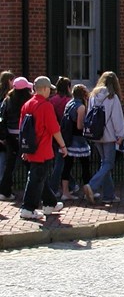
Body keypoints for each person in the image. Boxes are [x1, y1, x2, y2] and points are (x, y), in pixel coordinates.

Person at [18, 76, 68, 220]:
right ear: (45, 89)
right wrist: (63, 146)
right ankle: (28, 208)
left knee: (40, 177)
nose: (50, 92)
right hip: (43, 150)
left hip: (31, 148)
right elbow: (54, 129)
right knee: (36, 178)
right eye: (49, 90)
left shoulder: (27, 104)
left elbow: (22, 129)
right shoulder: (46, 106)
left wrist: (25, 150)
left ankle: (49, 203)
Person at [83, 71, 124, 204]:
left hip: (95, 133)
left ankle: (109, 194)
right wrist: (120, 135)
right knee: (108, 163)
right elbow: (117, 118)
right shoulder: (112, 97)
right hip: (109, 134)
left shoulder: (93, 96)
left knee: (104, 163)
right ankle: (92, 185)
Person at [0, 77, 33, 201]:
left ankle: (4, 191)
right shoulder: (29, 100)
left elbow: (1, 118)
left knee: (10, 164)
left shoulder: (7, 101)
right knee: (31, 164)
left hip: (10, 136)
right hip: (25, 135)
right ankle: (36, 193)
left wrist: (3, 135)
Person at [60, 84, 92, 201]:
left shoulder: (69, 104)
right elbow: (79, 126)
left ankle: (65, 192)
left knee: (67, 165)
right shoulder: (81, 107)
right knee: (85, 165)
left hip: (67, 139)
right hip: (78, 140)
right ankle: (87, 190)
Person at [48, 76, 73, 195]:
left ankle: (71, 185)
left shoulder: (52, 100)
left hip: (53, 133)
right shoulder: (69, 101)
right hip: (65, 134)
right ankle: (53, 188)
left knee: (59, 162)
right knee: (61, 162)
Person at [0, 71, 16, 185]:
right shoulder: (8, 97)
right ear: (9, 80)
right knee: (5, 159)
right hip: (5, 130)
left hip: (2, 129)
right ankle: (2, 182)